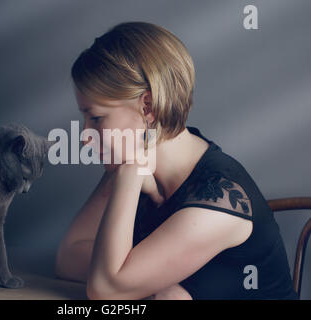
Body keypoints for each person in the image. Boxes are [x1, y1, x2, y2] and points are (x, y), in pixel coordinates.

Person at [54, 21, 298, 300]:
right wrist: (142, 282)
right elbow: (69, 258)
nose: (85, 136)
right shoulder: (130, 158)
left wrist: (129, 176)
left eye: (96, 118)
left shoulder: (219, 198)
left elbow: (106, 290)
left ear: (148, 107)